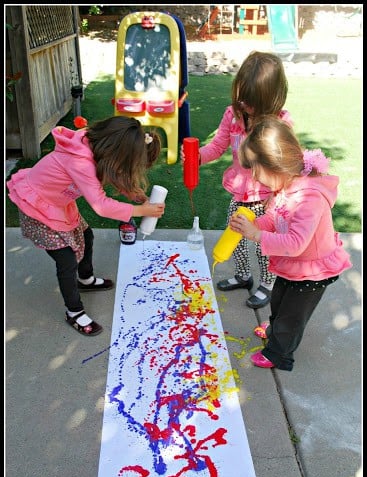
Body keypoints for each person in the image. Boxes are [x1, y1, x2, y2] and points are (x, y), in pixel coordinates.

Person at [7, 116, 165, 336]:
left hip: (58, 203)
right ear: (115, 152)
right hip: (38, 208)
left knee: (87, 235)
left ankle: (86, 279)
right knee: (66, 260)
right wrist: (141, 211)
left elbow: (108, 174)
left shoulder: (94, 147)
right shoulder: (80, 161)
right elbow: (100, 205)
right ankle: (74, 312)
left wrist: (132, 194)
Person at [230, 115, 352, 371]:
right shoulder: (285, 187)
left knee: (292, 315)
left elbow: (296, 242)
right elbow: (274, 218)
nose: (254, 177)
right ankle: (276, 331)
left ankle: (278, 353)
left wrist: (256, 235)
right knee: (279, 301)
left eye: (256, 170)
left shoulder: (310, 198)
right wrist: (251, 228)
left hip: (312, 271)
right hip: (294, 264)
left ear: (275, 165)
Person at [184, 51, 293, 309]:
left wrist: (279, 198)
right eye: (241, 98)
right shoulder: (232, 116)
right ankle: (244, 276)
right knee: (235, 239)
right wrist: (197, 157)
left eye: (251, 101)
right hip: (239, 194)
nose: (244, 105)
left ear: (271, 99)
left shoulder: (280, 123)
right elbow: (218, 145)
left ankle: (267, 282)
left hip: (267, 200)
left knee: (262, 246)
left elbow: (286, 165)